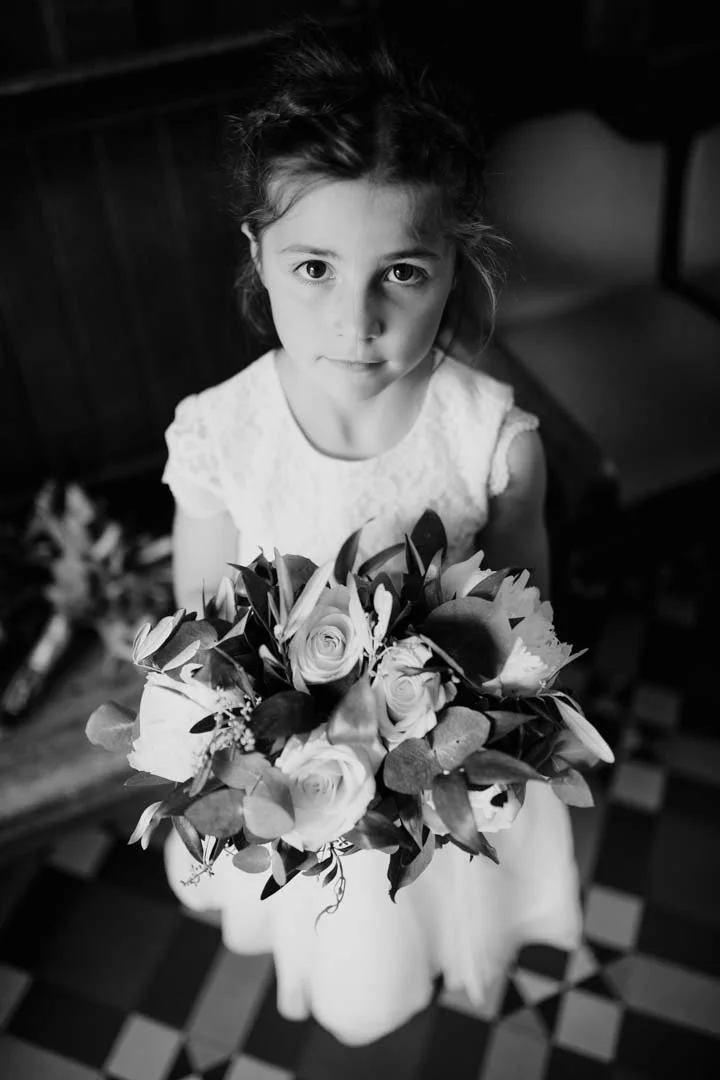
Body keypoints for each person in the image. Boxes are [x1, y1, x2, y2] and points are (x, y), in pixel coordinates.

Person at [162, 17, 582, 1046]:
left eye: (402, 273)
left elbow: (526, 632)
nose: (356, 326)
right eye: (314, 270)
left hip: (438, 779)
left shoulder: (492, 439)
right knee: (352, 935)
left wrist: (447, 742)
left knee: (442, 900)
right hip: (302, 791)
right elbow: (202, 636)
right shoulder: (221, 439)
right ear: (259, 254)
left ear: (454, 258)